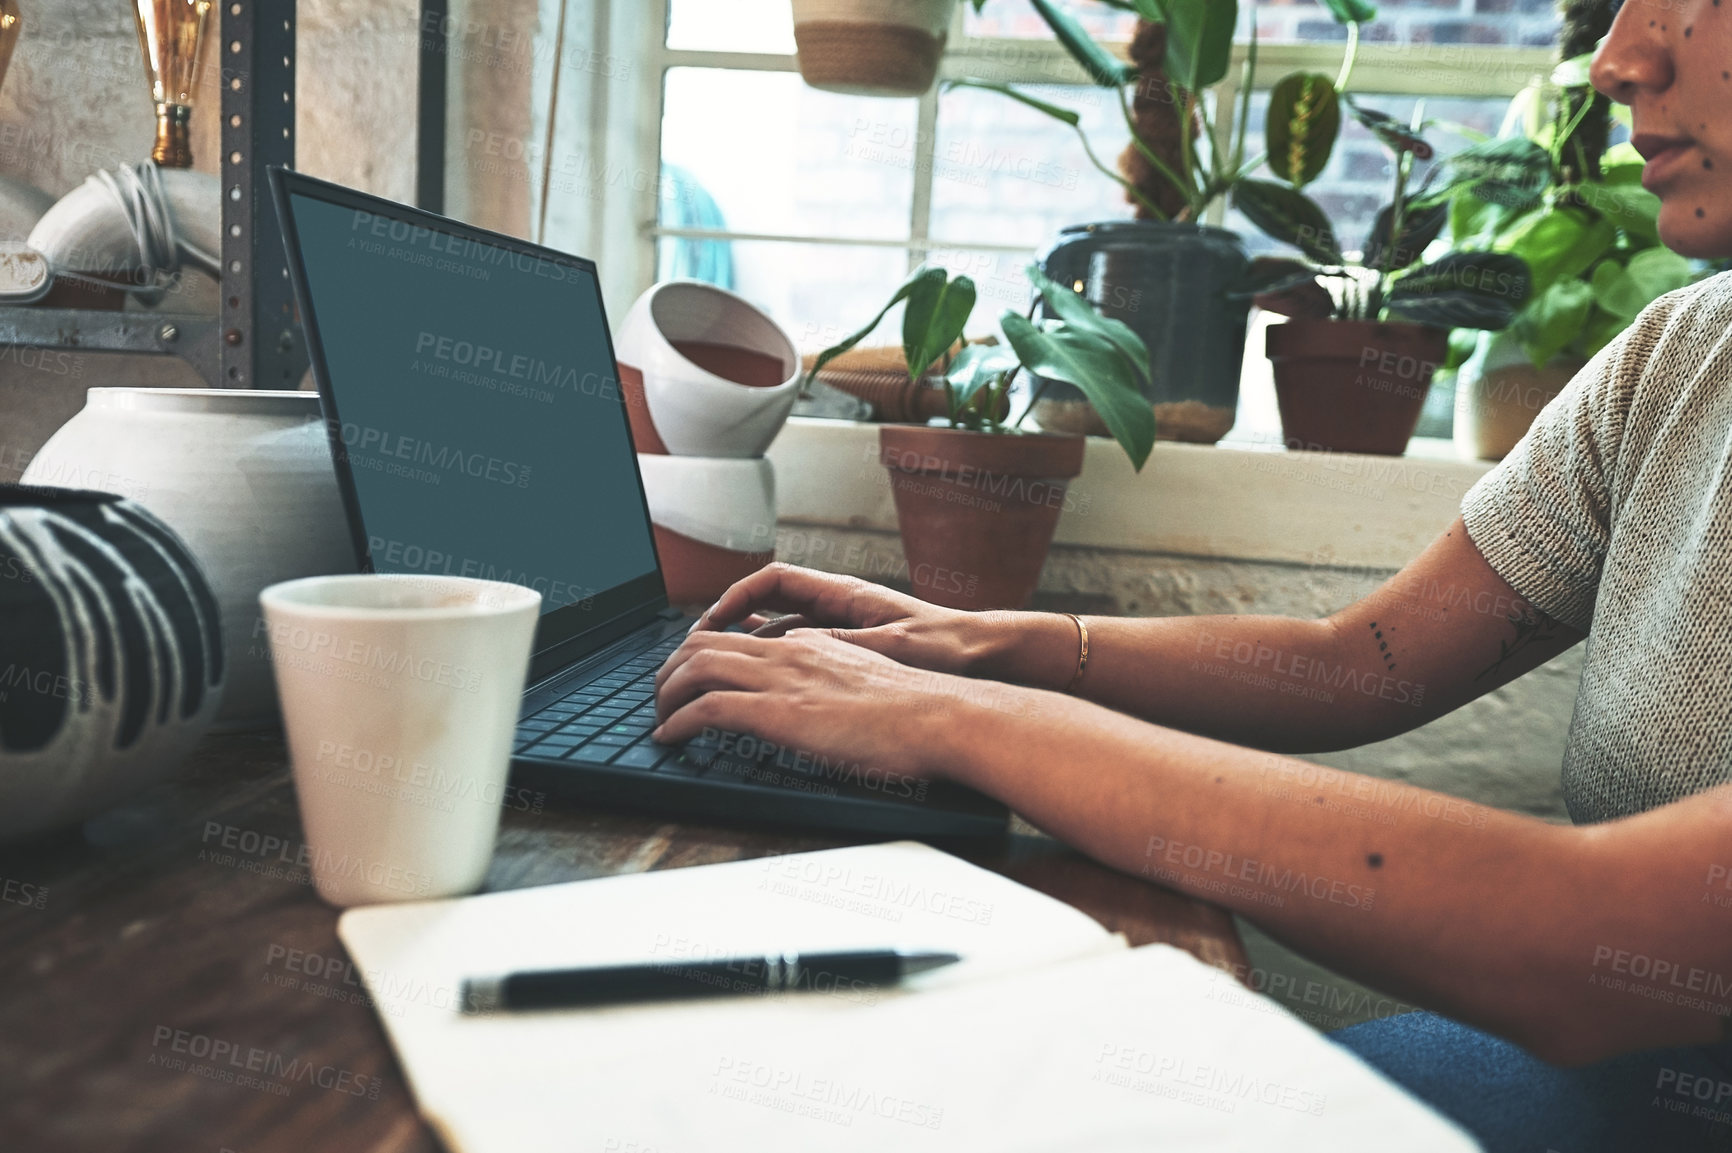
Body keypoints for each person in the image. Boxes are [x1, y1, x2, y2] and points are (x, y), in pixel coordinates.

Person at [651, 2, 1732, 1148]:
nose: (1618, 61)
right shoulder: (1680, 357)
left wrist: (963, 721)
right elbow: (1364, 661)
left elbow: (1585, 944)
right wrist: (987, 644)